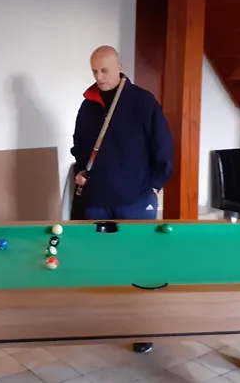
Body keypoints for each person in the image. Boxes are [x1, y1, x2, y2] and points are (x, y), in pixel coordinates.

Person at [71, 45, 174, 354]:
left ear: (119, 67)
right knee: (100, 262)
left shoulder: (143, 101)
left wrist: (155, 185)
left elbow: (163, 147)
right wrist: (81, 170)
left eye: (104, 70)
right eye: (94, 71)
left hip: (135, 198)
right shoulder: (88, 105)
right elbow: (79, 145)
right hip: (97, 198)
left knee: (140, 263)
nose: (99, 77)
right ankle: (107, 320)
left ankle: (142, 328)